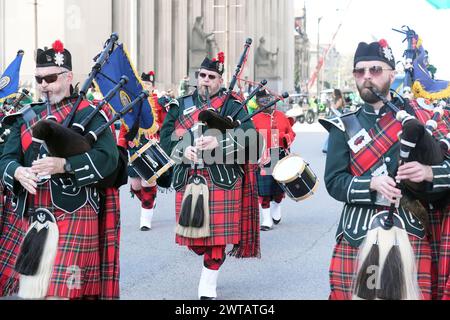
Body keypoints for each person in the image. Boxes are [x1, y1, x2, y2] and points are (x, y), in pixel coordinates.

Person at [320, 39, 442, 300]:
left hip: (410, 228)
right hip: (357, 233)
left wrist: (426, 172)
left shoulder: (418, 118)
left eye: (375, 70)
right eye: (360, 71)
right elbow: (334, 181)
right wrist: (371, 185)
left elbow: (442, 167)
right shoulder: (343, 125)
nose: (366, 77)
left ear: (392, 73)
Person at [0, 40, 121, 299]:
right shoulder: (26, 116)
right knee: (34, 293)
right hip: (34, 215)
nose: (43, 85)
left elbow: (109, 159)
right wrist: (17, 172)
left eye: (50, 78)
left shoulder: (91, 114)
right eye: (39, 79)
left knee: (61, 292)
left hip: (75, 211)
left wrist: (64, 165)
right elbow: (6, 158)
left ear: (68, 77)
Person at [160, 52, 260, 300]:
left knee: (215, 242)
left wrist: (219, 142)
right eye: (202, 75)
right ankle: (211, 259)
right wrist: (183, 150)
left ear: (220, 80)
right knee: (196, 241)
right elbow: (164, 140)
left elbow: (253, 140)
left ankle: (208, 281)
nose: (205, 80)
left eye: (211, 76)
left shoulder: (234, 105)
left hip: (223, 180)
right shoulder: (180, 106)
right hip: (189, 179)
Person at [118, 70, 172, 231]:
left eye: (148, 85)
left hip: (152, 148)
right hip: (134, 147)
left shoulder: (159, 103)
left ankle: (145, 218)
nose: (145, 87)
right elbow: (124, 127)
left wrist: (161, 137)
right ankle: (149, 201)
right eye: (143, 85)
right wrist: (122, 143)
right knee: (135, 185)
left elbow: (166, 124)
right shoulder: (130, 103)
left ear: (152, 86)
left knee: (149, 180)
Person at [252, 89, 296, 231]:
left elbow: (291, 133)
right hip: (263, 157)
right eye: (263, 100)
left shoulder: (282, 116)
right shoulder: (254, 118)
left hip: (281, 156)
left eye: (269, 98)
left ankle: (276, 206)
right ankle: (266, 218)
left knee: (279, 188)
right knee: (264, 191)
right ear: (258, 102)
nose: (267, 102)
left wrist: (285, 137)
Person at [322, 89, 345, 153]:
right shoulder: (335, 99)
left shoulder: (339, 99)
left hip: (338, 118)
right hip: (335, 118)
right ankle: (326, 147)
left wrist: (331, 104)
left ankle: (326, 147)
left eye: (333, 92)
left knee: (333, 132)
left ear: (336, 93)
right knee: (332, 132)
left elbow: (335, 107)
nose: (332, 94)